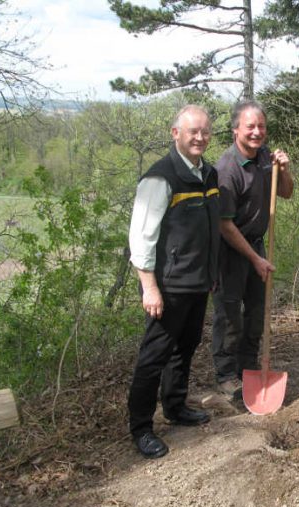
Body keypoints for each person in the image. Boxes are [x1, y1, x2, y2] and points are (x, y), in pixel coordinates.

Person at [127, 104, 220, 459]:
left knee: (186, 348)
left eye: (205, 131)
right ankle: (141, 428)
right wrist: (150, 288)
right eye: (192, 131)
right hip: (166, 287)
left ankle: (176, 406)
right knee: (154, 356)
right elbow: (141, 239)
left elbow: (208, 231)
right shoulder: (160, 178)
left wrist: (210, 275)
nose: (199, 137)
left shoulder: (207, 174)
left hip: (197, 283)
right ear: (175, 133)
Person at [210, 100, 293, 397]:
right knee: (230, 315)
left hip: (256, 247)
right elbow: (225, 225)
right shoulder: (226, 170)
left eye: (261, 126)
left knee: (257, 312)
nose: (257, 132)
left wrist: (283, 169)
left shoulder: (265, 158)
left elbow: (285, 192)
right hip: (229, 251)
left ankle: (248, 368)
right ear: (236, 131)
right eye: (250, 127)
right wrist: (255, 259)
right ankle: (226, 375)